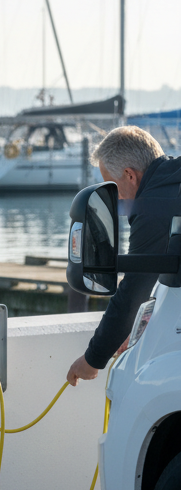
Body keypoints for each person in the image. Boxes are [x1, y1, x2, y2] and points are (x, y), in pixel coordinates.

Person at [67, 125, 181, 386]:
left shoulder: (153, 206)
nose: (116, 201)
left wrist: (93, 359)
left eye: (113, 188)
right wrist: (136, 326)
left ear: (130, 175)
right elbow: (163, 269)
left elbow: (134, 288)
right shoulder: (172, 187)